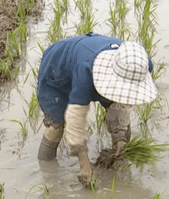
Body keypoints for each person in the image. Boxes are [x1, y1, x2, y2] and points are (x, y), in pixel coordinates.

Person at [36, 32, 158, 184]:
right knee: (57, 125)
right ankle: (46, 173)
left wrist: (120, 138)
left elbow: (124, 104)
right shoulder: (86, 69)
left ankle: (119, 158)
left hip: (99, 64)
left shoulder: (142, 66)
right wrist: (83, 162)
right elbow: (75, 119)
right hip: (60, 69)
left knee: (121, 125)